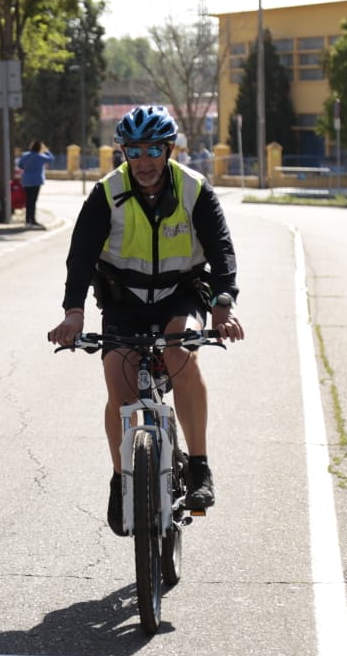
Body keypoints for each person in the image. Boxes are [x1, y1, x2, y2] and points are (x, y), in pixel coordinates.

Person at [46, 106, 243, 535]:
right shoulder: (106, 192)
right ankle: (121, 481)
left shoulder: (194, 190)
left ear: (170, 149)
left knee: (183, 350)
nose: (145, 160)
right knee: (117, 382)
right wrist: (73, 312)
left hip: (182, 293)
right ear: (124, 152)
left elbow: (222, 250)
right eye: (134, 151)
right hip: (124, 298)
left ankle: (199, 467)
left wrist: (223, 305)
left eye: (154, 149)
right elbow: (80, 257)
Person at [16, 139, 54, 228]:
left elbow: (20, 165)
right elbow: (51, 159)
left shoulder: (25, 156)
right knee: (33, 201)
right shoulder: (40, 156)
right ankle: (32, 220)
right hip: (36, 181)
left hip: (26, 181)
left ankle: (27, 219)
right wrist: (46, 150)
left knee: (28, 200)